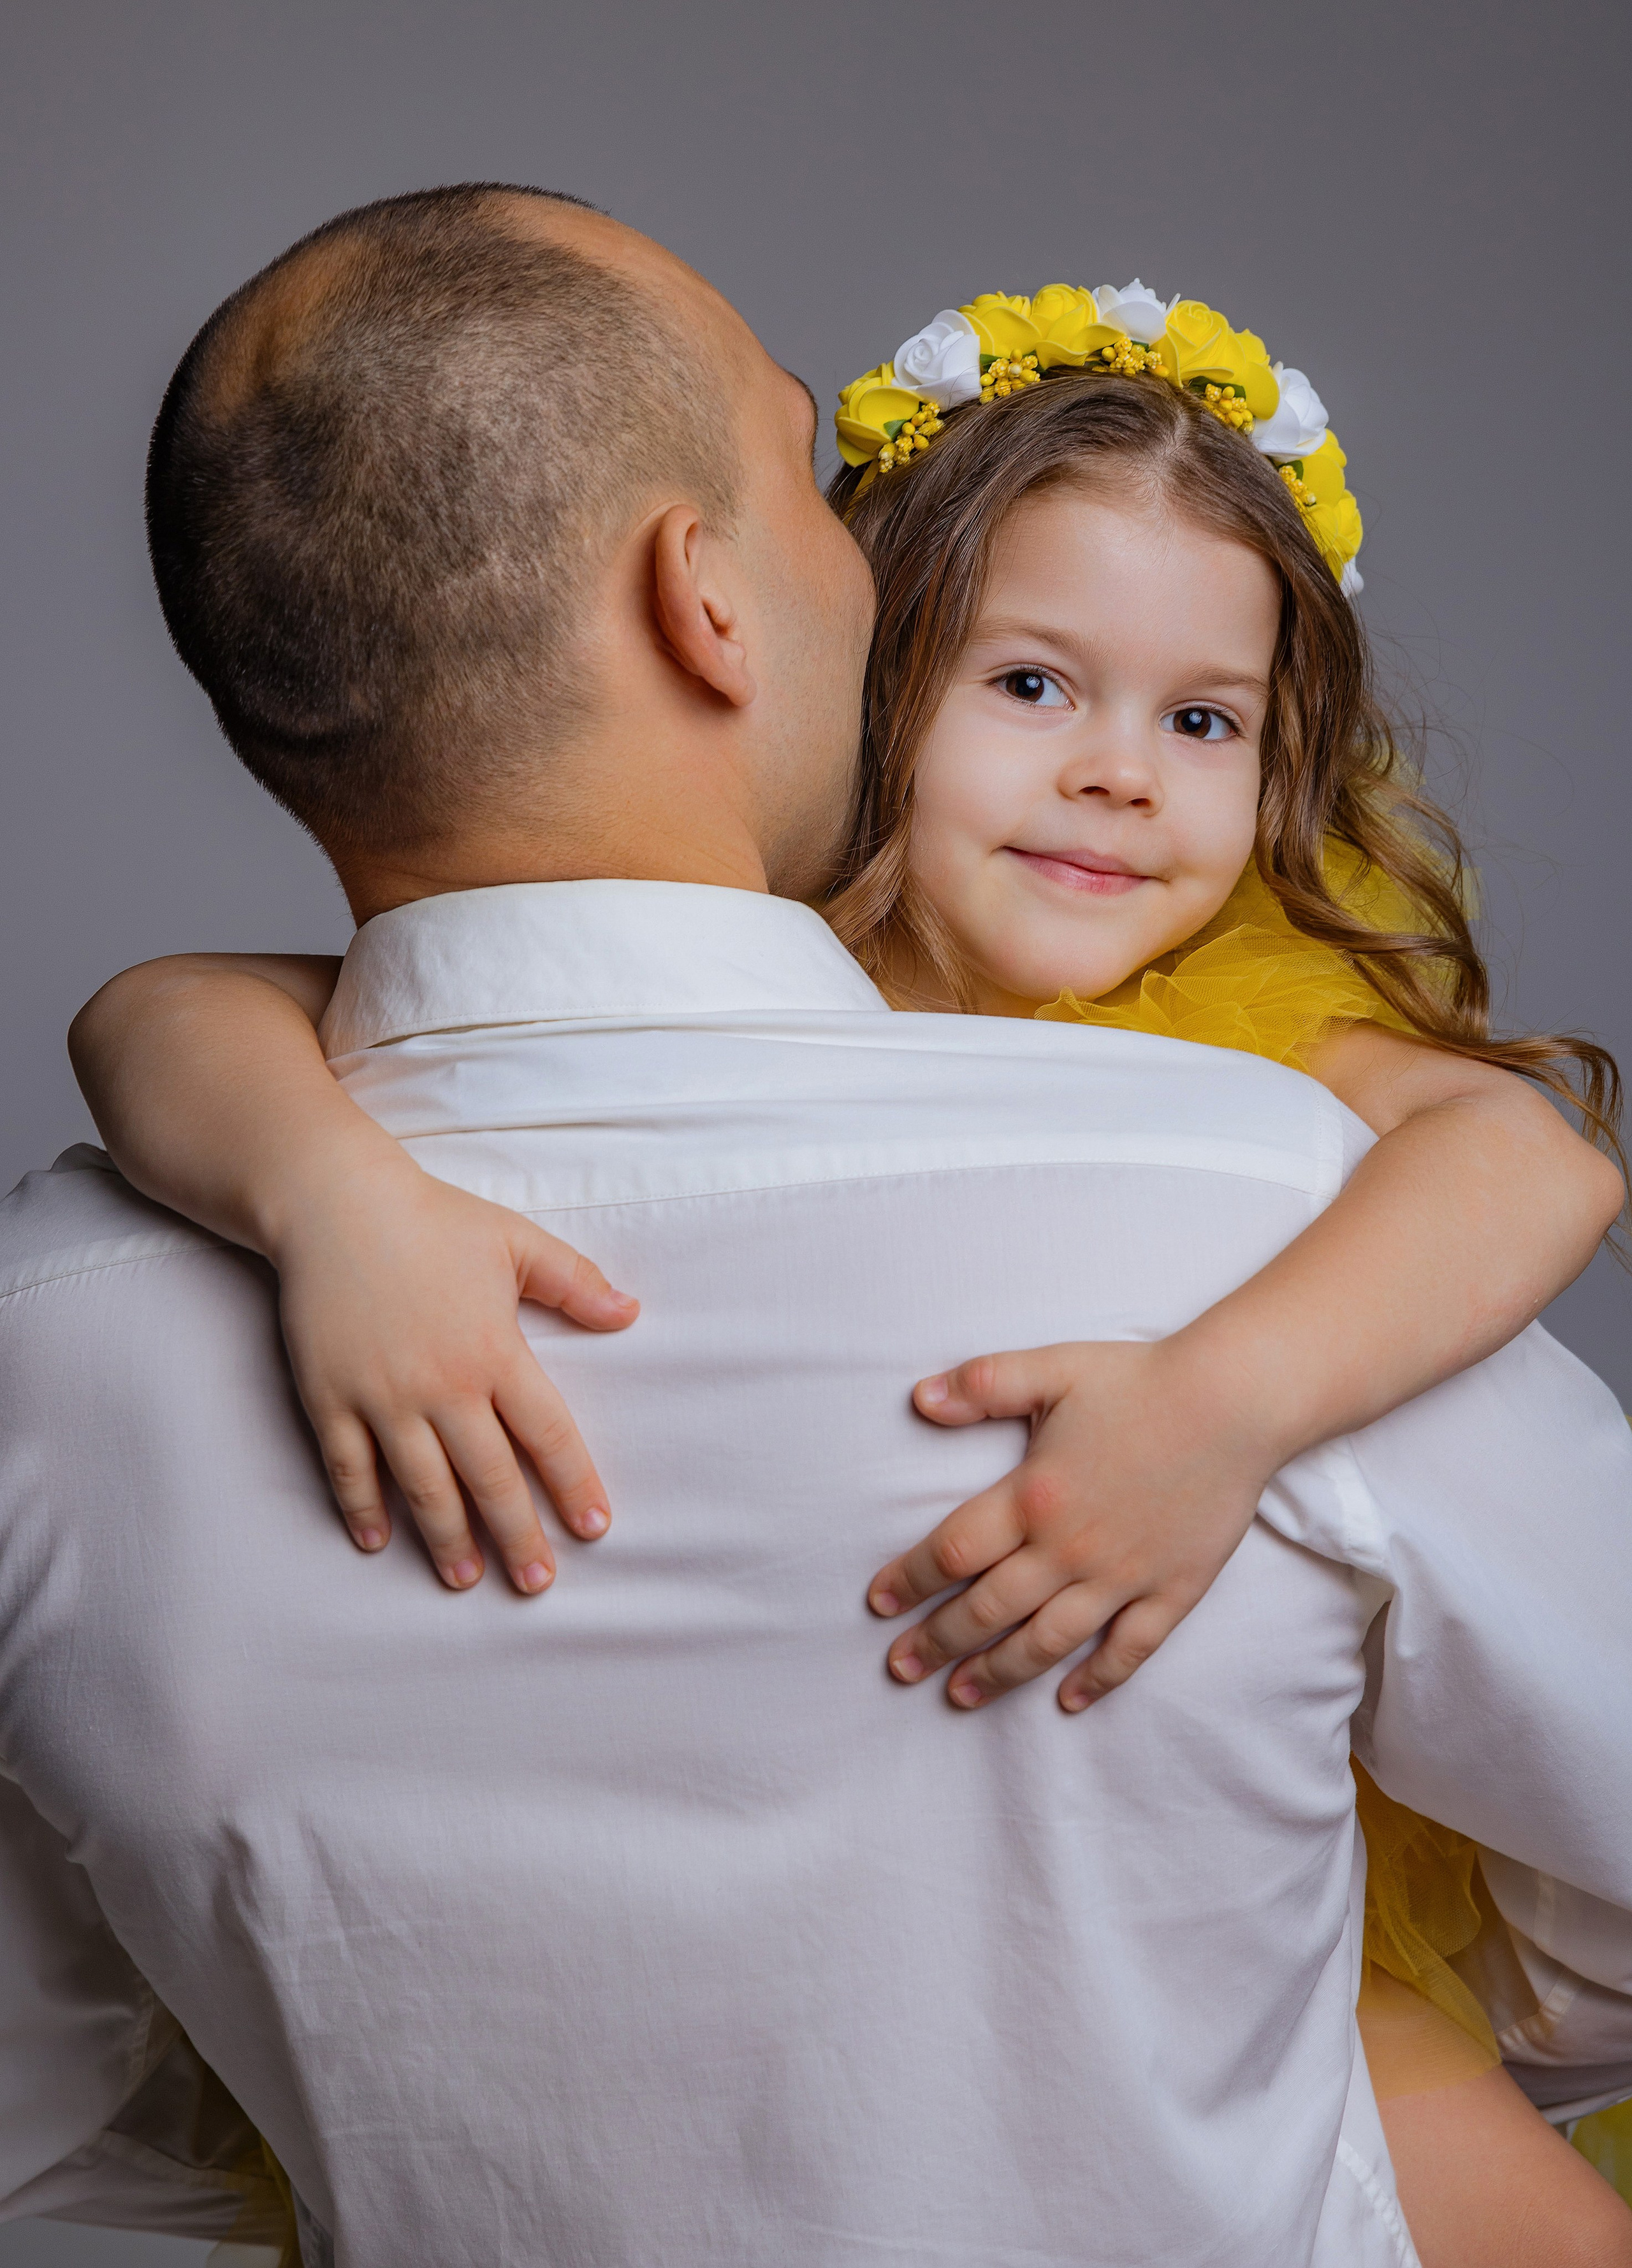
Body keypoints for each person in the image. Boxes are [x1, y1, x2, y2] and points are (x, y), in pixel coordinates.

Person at [3, 185, 1631, 2267]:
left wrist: (323, 1190)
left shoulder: (60, 1334)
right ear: (710, 601)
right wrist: (1254, 2067)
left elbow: (55, 2154)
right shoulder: (1248, 1207)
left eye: (1204, 721)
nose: (1118, 776)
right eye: (803, 476)